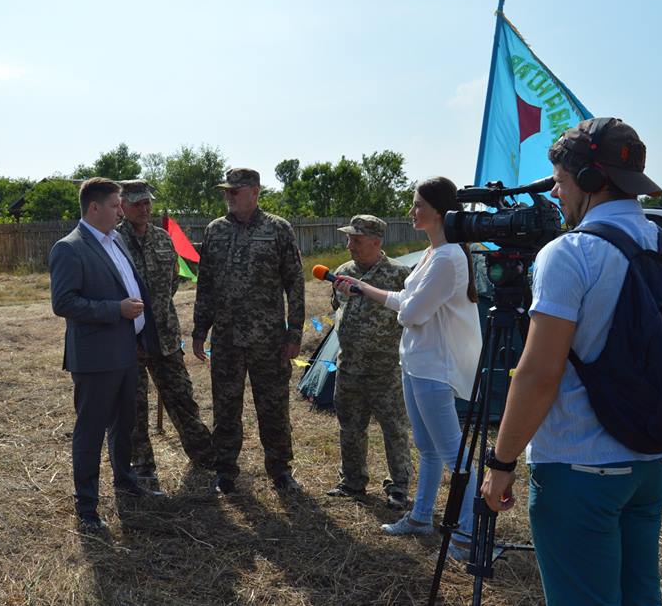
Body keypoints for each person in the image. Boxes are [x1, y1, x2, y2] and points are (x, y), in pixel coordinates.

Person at [481, 118, 662, 605]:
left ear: (590, 181)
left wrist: (501, 463)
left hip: (580, 467)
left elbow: (539, 374)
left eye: (562, 183)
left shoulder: (571, 253)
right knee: (640, 596)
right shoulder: (661, 243)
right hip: (649, 462)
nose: (558, 196)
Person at [335, 177, 482, 560]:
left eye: (417, 205)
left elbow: (412, 311)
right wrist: (363, 287)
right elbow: (404, 299)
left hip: (435, 367)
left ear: (438, 211)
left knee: (454, 454)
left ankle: (469, 535)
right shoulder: (434, 254)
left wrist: (400, 305)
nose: (411, 211)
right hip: (416, 362)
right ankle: (420, 517)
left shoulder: (449, 257)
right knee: (428, 449)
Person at [49, 177, 164, 531]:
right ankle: (86, 506)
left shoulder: (115, 241)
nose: (121, 211)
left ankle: (124, 479)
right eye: (116, 205)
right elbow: (64, 303)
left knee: (123, 424)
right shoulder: (69, 248)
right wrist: (116, 309)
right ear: (94, 208)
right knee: (91, 431)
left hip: (127, 352)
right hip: (96, 358)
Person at [192, 167, 305, 494]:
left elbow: (295, 284)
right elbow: (206, 284)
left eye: (234, 191)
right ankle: (225, 470)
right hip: (226, 339)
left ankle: (280, 469)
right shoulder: (215, 231)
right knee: (226, 407)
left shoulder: (278, 229)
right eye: (226, 191)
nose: (228, 196)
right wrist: (201, 329)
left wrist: (294, 332)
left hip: (268, 340)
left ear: (254, 192)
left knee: (273, 406)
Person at [116, 180, 214, 486]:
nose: (144, 209)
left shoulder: (162, 238)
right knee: (133, 406)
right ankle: (142, 464)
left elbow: (172, 280)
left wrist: (157, 308)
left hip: (166, 336)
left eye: (147, 203)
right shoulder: (112, 241)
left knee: (182, 397)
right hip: (127, 340)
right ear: (122, 206)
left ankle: (205, 456)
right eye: (137, 204)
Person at [326, 215, 413, 510]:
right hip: (349, 365)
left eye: (357, 240)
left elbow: (412, 314)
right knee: (350, 425)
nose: (350, 245)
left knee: (394, 428)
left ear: (376, 242)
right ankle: (352, 482)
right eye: (349, 239)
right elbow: (336, 308)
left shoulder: (400, 274)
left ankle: (398, 487)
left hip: (386, 369)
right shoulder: (342, 272)